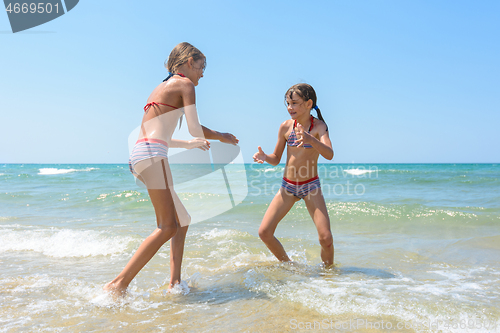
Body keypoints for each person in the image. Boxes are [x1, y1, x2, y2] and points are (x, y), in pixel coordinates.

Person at [104, 42, 238, 296]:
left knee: (182, 220)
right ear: (189, 61)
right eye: (201, 67)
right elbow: (195, 128)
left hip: (141, 154)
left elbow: (155, 133)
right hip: (153, 155)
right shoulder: (184, 84)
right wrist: (222, 136)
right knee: (167, 226)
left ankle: (175, 284)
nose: (202, 73)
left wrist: (188, 144)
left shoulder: (160, 88)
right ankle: (118, 285)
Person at [253, 83, 334, 267]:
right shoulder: (286, 127)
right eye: (288, 103)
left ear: (308, 104)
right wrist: (264, 157)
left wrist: (310, 139)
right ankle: (289, 265)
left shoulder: (319, 127)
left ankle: (329, 275)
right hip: (288, 187)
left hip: (311, 186)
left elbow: (329, 154)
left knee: (326, 238)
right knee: (264, 232)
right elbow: (276, 158)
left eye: (294, 103)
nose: (290, 108)